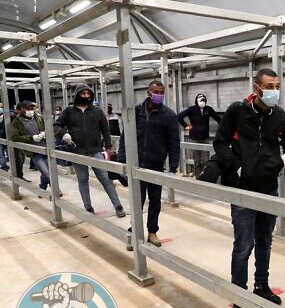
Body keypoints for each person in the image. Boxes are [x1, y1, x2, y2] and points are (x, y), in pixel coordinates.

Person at [213, 68, 285, 308]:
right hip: (243, 190)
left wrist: (284, 159)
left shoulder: (279, 115)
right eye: (269, 86)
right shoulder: (238, 111)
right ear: (257, 88)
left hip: (268, 188)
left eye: (277, 86)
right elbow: (220, 142)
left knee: (264, 242)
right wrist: (236, 166)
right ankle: (239, 296)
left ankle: (262, 286)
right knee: (243, 246)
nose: (274, 91)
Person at [118, 80, 180, 249]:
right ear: (148, 92)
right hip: (136, 164)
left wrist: (173, 167)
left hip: (155, 165)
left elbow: (174, 142)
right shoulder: (136, 112)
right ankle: (135, 230)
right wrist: (122, 159)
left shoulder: (169, 116)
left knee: (154, 200)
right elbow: (125, 136)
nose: (159, 95)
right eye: (156, 92)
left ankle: (152, 231)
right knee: (137, 199)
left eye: (161, 92)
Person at [54, 84, 126, 218]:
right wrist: (63, 133)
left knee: (105, 179)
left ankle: (118, 205)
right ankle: (88, 206)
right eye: (83, 94)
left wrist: (109, 147)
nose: (86, 96)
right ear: (77, 95)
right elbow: (56, 125)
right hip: (77, 151)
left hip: (95, 151)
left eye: (88, 94)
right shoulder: (69, 112)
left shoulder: (97, 111)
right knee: (83, 179)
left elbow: (105, 130)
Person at [177, 94, 221, 177]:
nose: (202, 102)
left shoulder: (208, 109)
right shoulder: (192, 109)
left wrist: (222, 130)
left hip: (205, 138)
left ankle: (205, 177)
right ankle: (198, 177)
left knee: (205, 160)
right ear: (196, 101)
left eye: (204, 100)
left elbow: (218, 119)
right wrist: (187, 126)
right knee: (196, 161)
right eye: (201, 100)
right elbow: (179, 116)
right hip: (194, 138)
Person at [11, 100, 50, 191]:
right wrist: (31, 138)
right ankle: (57, 190)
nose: (31, 110)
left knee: (46, 171)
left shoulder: (38, 118)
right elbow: (15, 137)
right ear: (21, 109)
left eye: (32, 107)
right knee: (46, 172)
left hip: (45, 147)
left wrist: (44, 134)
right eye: (28, 108)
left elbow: (47, 128)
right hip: (33, 151)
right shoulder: (17, 122)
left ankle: (42, 189)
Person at [0, 103, 8, 171]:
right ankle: (4, 165)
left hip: (3, 136)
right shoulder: (6, 117)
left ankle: (4, 166)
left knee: (1, 153)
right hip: (5, 136)